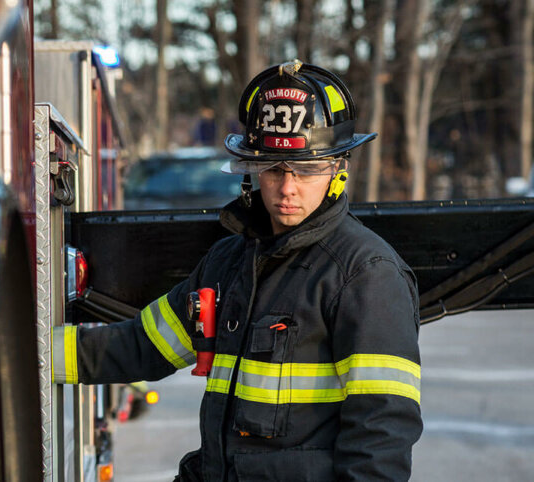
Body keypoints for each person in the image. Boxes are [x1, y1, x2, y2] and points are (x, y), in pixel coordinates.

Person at [52, 60, 422, 481]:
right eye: (274, 169)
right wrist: (33, 354)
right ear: (251, 171)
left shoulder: (365, 275)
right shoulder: (229, 262)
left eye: (306, 170)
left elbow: (381, 438)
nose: (287, 188)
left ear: (338, 169)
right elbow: (141, 346)